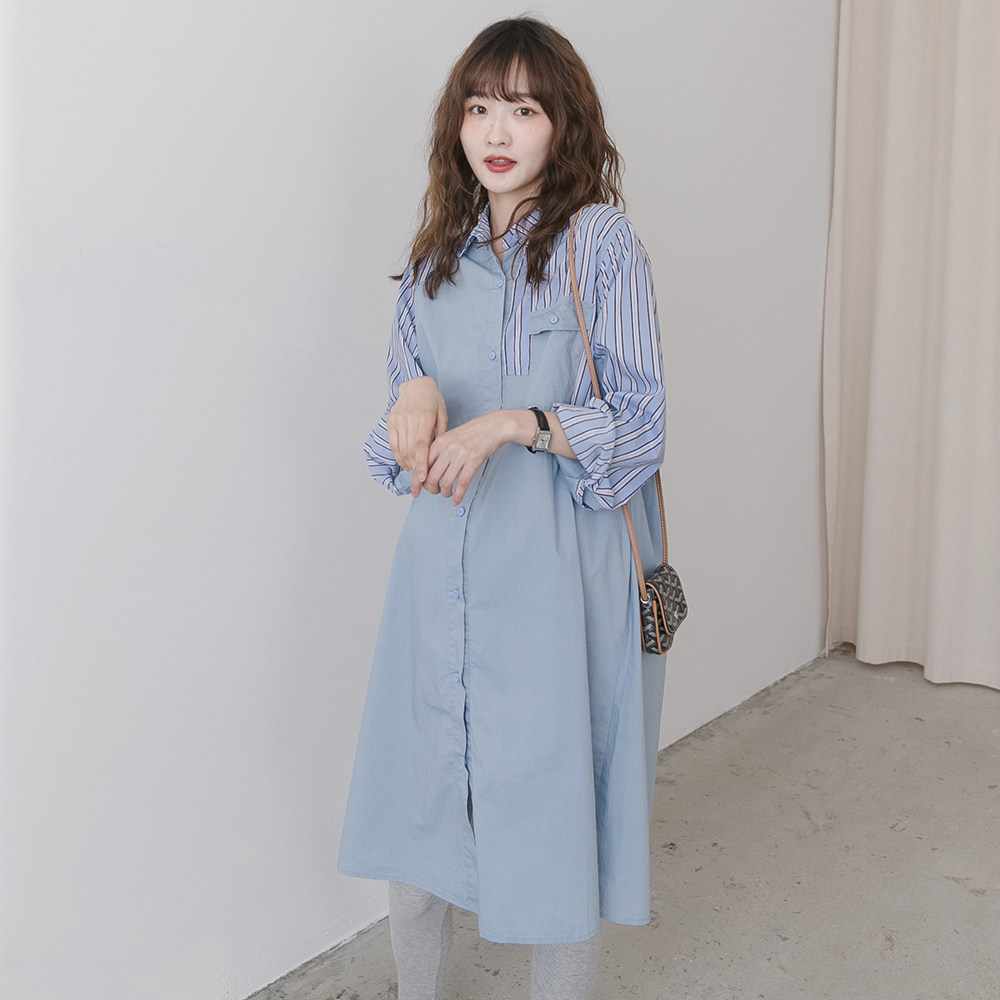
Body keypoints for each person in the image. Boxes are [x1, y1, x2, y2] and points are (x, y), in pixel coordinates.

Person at [338, 17, 667, 1000]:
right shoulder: (434, 256)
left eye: (522, 109)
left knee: (553, 812)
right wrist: (410, 402)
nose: (496, 130)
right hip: (440, 571)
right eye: (479, 106)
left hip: (555, 574)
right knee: (421, 805)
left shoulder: (598, 244)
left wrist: (516, 423)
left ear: (563, 123)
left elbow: (642, 423)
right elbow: (398, 444)